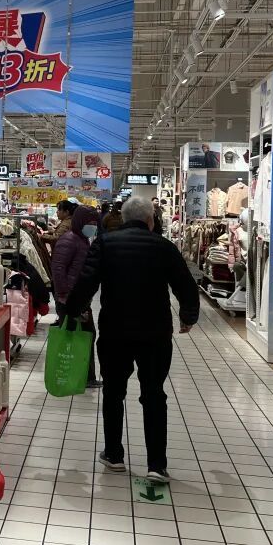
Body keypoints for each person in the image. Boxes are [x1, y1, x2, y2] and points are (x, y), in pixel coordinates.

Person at [64, 196, 199, 482]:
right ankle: (156, 465)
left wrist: (75, 310)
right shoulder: (164, 246)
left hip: (115, 331)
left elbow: (87, 280)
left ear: (124, 219)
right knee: (154, 394)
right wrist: (188, 316)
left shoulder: (105, 243)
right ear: (151, 219)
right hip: (155, 333)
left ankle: (114, 455)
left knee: (114, 392)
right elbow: (185, 285)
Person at [51, 205, 101, 388]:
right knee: (78, 335)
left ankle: (83, 376)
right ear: (80, 221)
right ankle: (78, 376)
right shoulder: (70, 240)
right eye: (90, 222)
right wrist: (64, 294)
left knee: (83, 335)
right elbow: (58, 269)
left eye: (95, 223)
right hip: (70, 298)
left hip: (79, 297)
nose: (93, 226)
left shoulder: (81, 240)